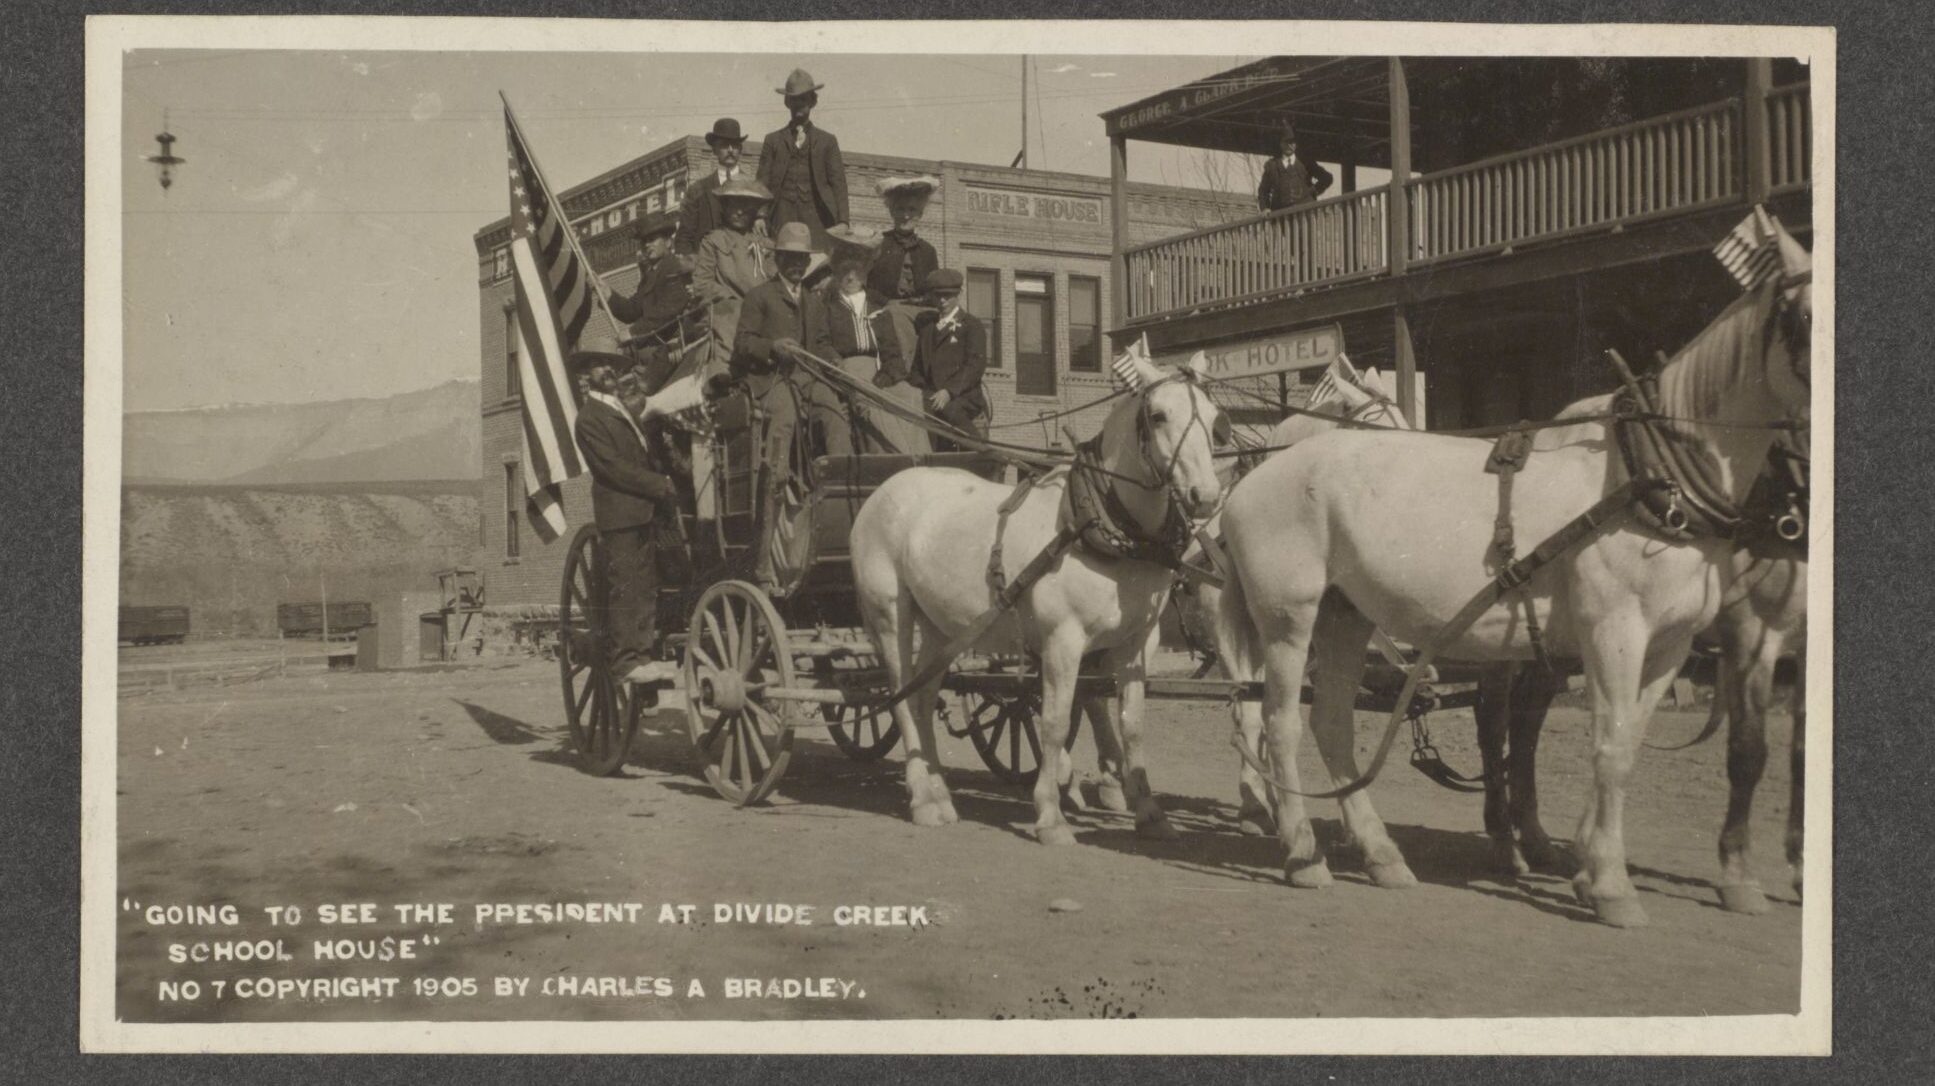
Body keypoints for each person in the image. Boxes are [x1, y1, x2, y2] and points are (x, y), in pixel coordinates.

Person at [568, 350, 687, 687]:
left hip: (644, 510)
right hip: (619, 513)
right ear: (587, 375)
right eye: (599, 367)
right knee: (625, 587)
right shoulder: (589, 419)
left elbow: (645, 455)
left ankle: (643, 655)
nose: (607, 370)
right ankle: (624, 662)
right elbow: (612, 468)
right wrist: (657, 484)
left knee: (647, 586)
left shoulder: (621, 408)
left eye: (611, 365)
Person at [731, 221, 837, 587]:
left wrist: (834, 366)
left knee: (836, 410)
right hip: (772, 381)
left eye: (801, 259)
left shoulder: (814, 301)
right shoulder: (759, 297)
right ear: (777, 259)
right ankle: (774, 486)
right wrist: (771, 347)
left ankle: (836, 482)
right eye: (789, 258)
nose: (795, 264)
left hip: (809, 379)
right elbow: (743, 344)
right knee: (785, 418)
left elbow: (821, 344)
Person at [820, 230, 929, 455]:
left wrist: (888, 374)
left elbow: (891, 350)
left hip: (878, 368)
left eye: (856, 271)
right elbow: (822, 342)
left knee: (909, 395)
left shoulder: (877, 307)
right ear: (837, 273)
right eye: (845, 271)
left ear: (865, 273)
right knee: (872, 402)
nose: (850, 277)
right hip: (848, 367)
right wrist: (835, 362)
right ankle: (888, 457)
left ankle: (922, 458)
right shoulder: (828, 307)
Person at [757, 68, 849, 251]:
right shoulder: (773, 140)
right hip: (781, 217)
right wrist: (759, 215)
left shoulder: (827, 141)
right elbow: (762, 181)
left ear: (813, 101)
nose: (799, 104)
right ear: (787, 102)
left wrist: (843, 221)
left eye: (804, 99)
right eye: (794, 99)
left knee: (815, 267)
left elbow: (838, 183)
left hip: (817, 220)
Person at [691, 178, 775, 374]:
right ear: (724, 207)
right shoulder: (714, 241)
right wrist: (729, 297)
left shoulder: (766, 245)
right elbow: (702, 283)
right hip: (730, 308)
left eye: (746, 207)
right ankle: (723, 375)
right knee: (732, 315)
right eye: (733, 206)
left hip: (763, 309)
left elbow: (775, 281)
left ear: (755, 211)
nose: (739, 212)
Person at [606, 212, 697, 372]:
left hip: (672, 342)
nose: (647, 245)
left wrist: (633, 332)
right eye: (644, 242)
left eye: (652, 240)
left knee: (617, 361)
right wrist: (607, 294)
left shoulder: (675, 267)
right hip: (653, 342)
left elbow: (668, 310)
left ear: (668, 242)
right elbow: (632, 311)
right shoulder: (651, 274)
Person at [910, 269, 990, 451]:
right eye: (938, 296)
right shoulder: (928, 329)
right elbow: (917, 369)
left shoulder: (971, 325)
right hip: (932, 395)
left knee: (949, 410)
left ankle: (982, 452)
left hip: (963, 396)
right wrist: (917, 391)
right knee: (919, 410)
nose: (942, 301)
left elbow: (975, 366)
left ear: (958, 295)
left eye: (948, 296)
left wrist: (949, 391)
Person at [674, 117, 750, 261]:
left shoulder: (752, 187)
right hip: (708, 268)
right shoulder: (698, 190)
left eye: (734, 145)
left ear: (740, 149)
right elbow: (684, 237)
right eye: (724, 145)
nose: (730, 150)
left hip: (743, 268)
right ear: (714, 149)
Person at [867, 175, 940, 304]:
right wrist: (887, 303)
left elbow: (934, 292)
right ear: (891, 212)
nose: (906, 215)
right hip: (881, 312)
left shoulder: (928, 251)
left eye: (912, 210)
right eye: (900, 209)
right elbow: (865, 286)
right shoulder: (878, 243)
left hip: (918, 314)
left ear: (920, 214)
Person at [1256, 125, 1334, 213]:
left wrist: (1313, 191)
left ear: (1296, 144)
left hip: (1305, 215)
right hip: (1282, 218)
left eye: (1292, 142)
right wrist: (1265, 208)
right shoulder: (1272, 166)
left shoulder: (1306, 162)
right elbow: (1263, 190)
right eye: (1286, 142)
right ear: (1281, 143)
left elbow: (1327, 178)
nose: (1289, 145)